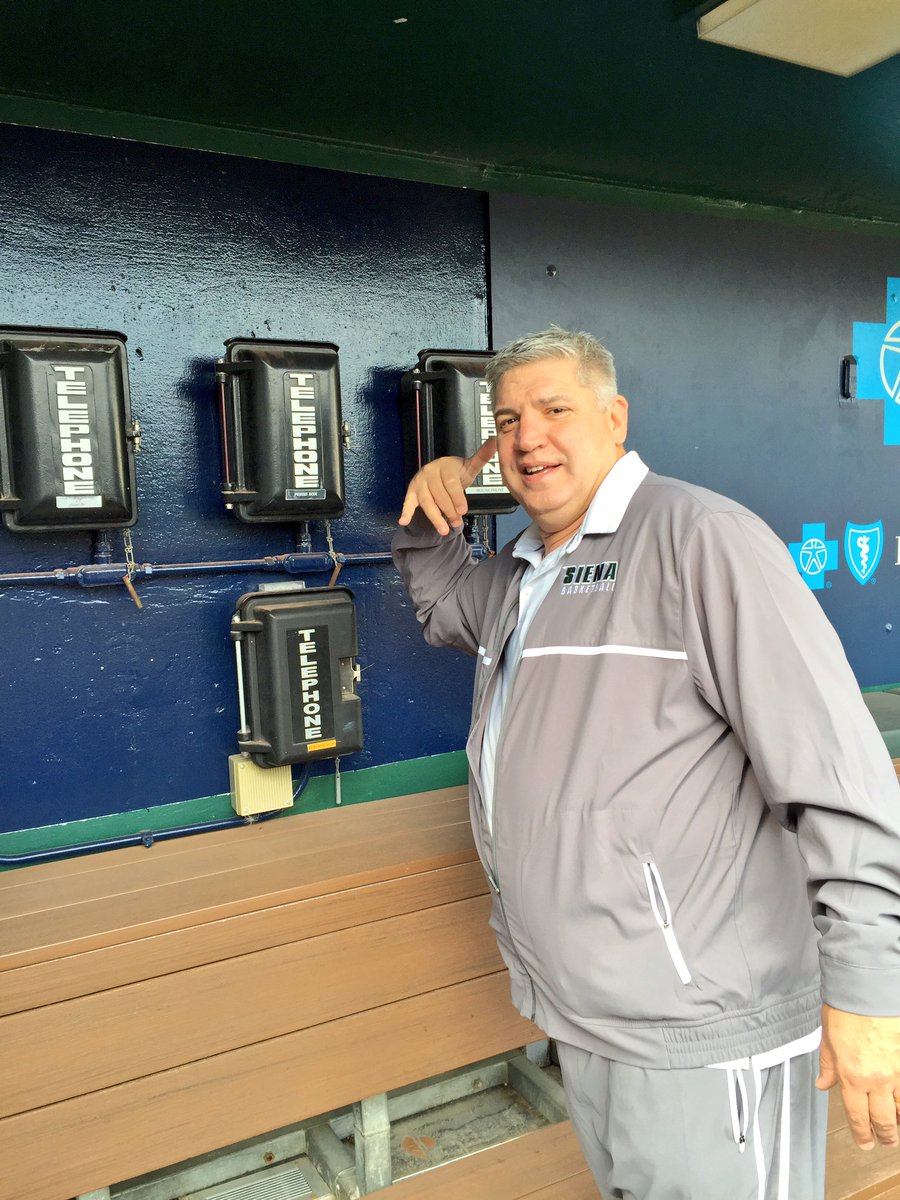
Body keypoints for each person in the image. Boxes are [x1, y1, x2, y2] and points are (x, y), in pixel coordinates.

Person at [393, 327, 900, 1200]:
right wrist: (432, 504)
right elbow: (441, 605)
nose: (527, 438)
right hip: (590, 1018)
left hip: (710, 1028)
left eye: (555, 409)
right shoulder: (523, 568)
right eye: (507, 418)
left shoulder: (700, 539)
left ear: (614, 417)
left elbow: (839, 778)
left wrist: (869, 990)